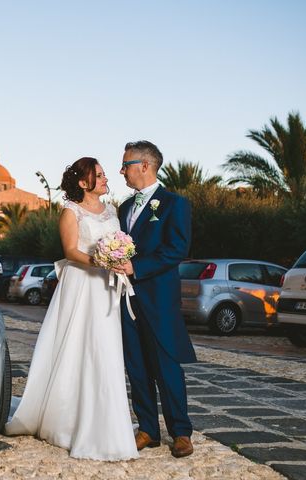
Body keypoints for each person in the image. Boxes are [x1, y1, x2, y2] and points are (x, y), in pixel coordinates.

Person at [5, 157, 138, 462]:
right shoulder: (70, 212)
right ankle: (67, 419)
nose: (106, 179)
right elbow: (70, 251)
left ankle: (107, 419)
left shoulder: (112, 210)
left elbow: (117, 241)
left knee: (105, 349)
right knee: (79, 345)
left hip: (106, 288)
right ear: (83, 183)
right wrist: (102, 261)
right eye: (100, 176)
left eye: (105, 175)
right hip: (82, 285)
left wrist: (118, 258)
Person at [114, 140, 197, 458]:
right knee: (136, 366)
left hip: (159, 300)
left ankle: (181, 432)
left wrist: (137, 266)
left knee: (167, 367)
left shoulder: (175, 204)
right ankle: (148, 428)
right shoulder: (123, 208)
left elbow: (177, 248)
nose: (122, 171)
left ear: (145, 165)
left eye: (126, 165)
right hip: (126, 299)